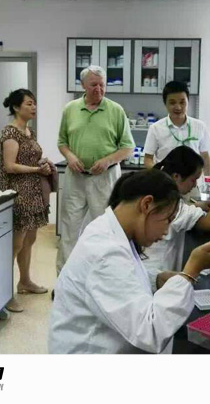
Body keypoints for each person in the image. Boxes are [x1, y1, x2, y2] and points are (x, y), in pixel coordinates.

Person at [48, 169, 210, 354]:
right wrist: (191, 271)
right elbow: (151, 332)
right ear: (146, 204)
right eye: (167, 219)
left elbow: (120, 277)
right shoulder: (105, 252)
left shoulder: (110, 229)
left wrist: (156, 279)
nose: (166, 231)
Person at [56, 65, 135, 275]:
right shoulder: (70, 109)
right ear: (83, 85)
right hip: (76, 177)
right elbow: (62, 142)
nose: (98, 89)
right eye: (93, 85)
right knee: (69, 228)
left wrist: (108, 161)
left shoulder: (116, 110)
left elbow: (128, 148)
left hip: (105, 178)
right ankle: (64, 278)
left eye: (102, 85)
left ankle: (103, 275)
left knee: (106, 229)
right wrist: (70, 157)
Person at [0, 89, 55, 313]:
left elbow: (30, 158)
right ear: (16, 107)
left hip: (33, 193)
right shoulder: (10, 133)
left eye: (34, 103)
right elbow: (10, 166)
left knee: (29, 240)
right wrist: (36, 170)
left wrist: (43, 165)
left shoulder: (29, 132)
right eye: (29, 104)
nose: (34, 107)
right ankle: (4, 293)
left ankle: (25, 281)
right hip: (17, 194)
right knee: (15, 244)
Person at [143, 146, 210, 291]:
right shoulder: (172, 205)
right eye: (193, 179)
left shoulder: (158, 193)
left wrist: (196, 206)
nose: (195, 185)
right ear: (176, 176)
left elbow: (180, 211)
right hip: (157, 277)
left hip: (146, 270)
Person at [144, 81, 210, 176]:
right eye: (172, 103)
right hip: (166, 180)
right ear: (165, 103)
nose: (178, 107)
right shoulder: (155, 128)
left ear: (188, 102)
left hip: (192, 181)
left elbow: (205, 157)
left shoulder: (200, 126)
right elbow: (148, 158)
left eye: (182, 102)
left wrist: (207, 181)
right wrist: (159, 175)